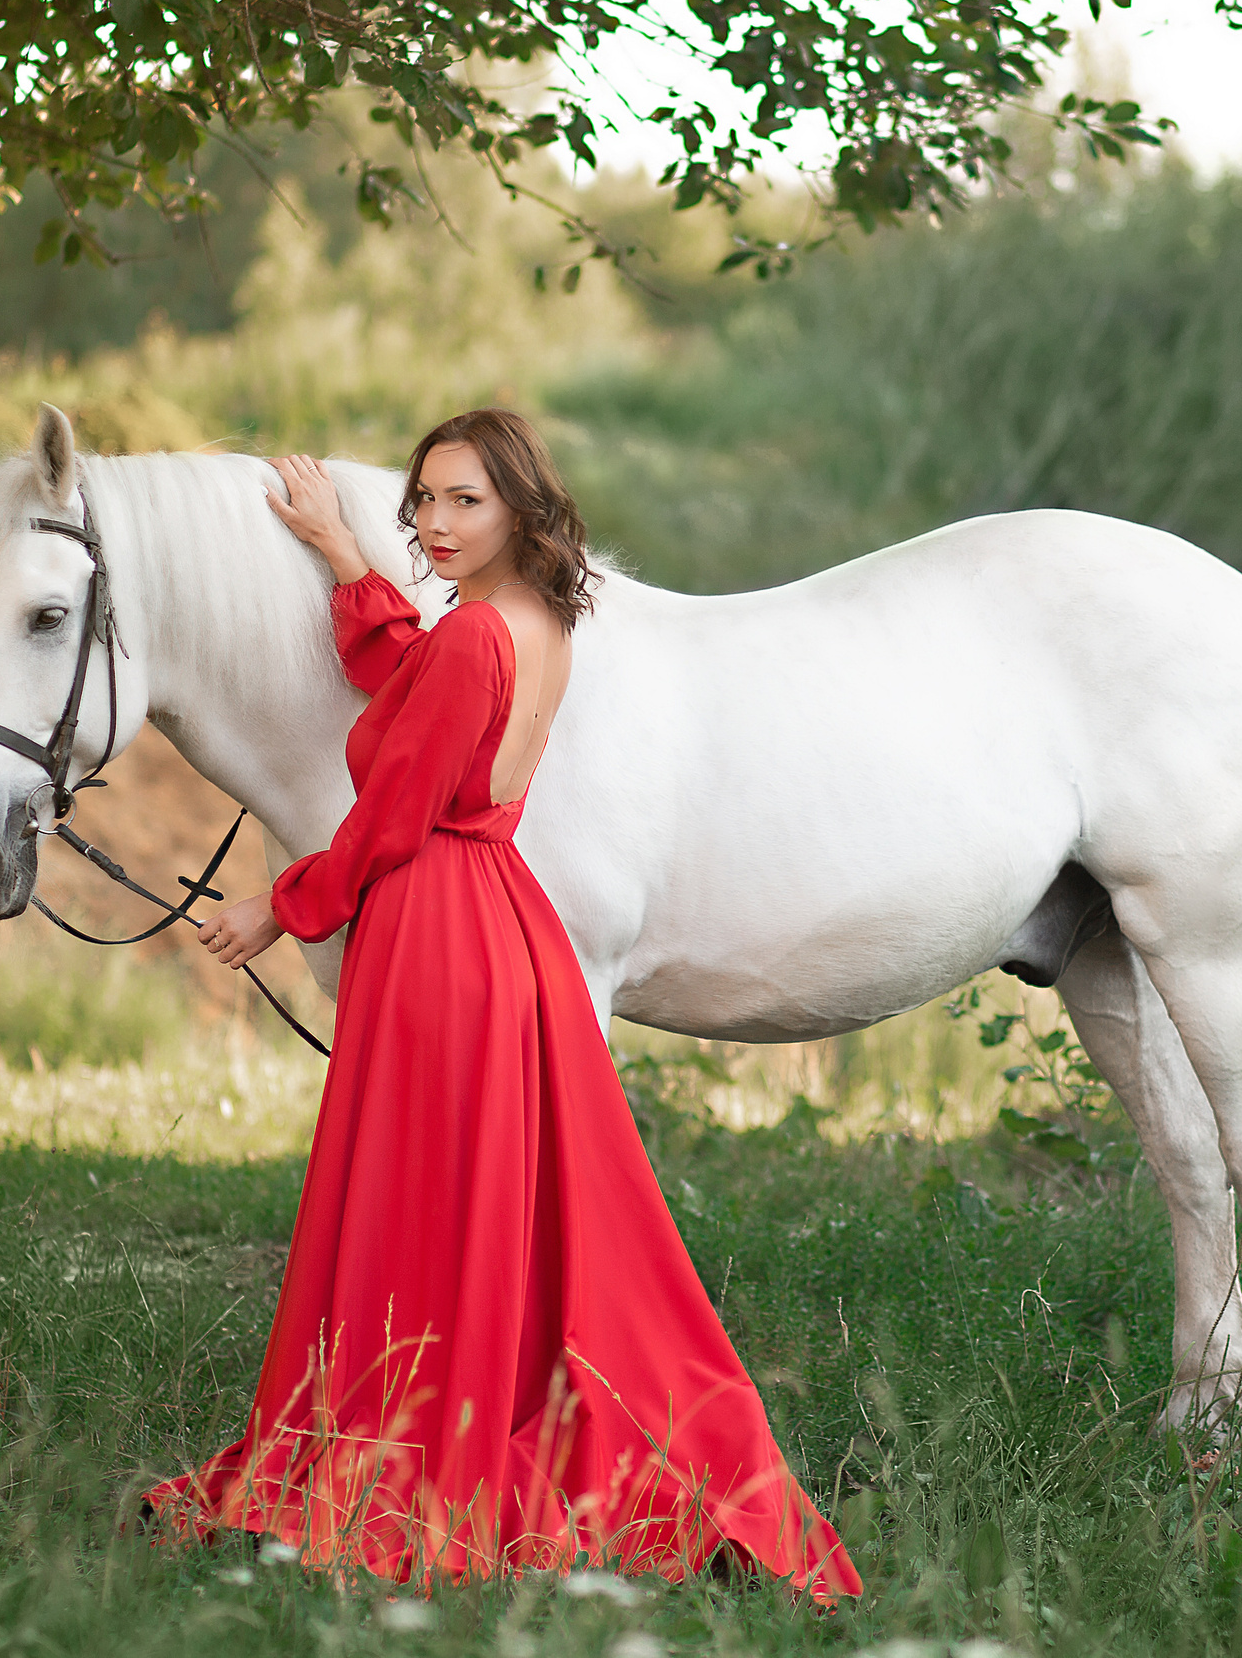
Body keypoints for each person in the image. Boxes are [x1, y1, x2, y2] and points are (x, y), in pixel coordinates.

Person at [144, 410, 860, 1599]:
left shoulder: (478, 634)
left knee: (423, 1195)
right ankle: (490, 1414)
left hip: (437, 924)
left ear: (520, 508)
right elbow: (409, 682)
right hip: (497, 917)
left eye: (461, 500)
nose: (430, 520)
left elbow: (391, 813)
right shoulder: (536, 623)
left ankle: (425, 1449)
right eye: (421, 498)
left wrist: (283, 903)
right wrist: (341, 554)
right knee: (486, 1199)